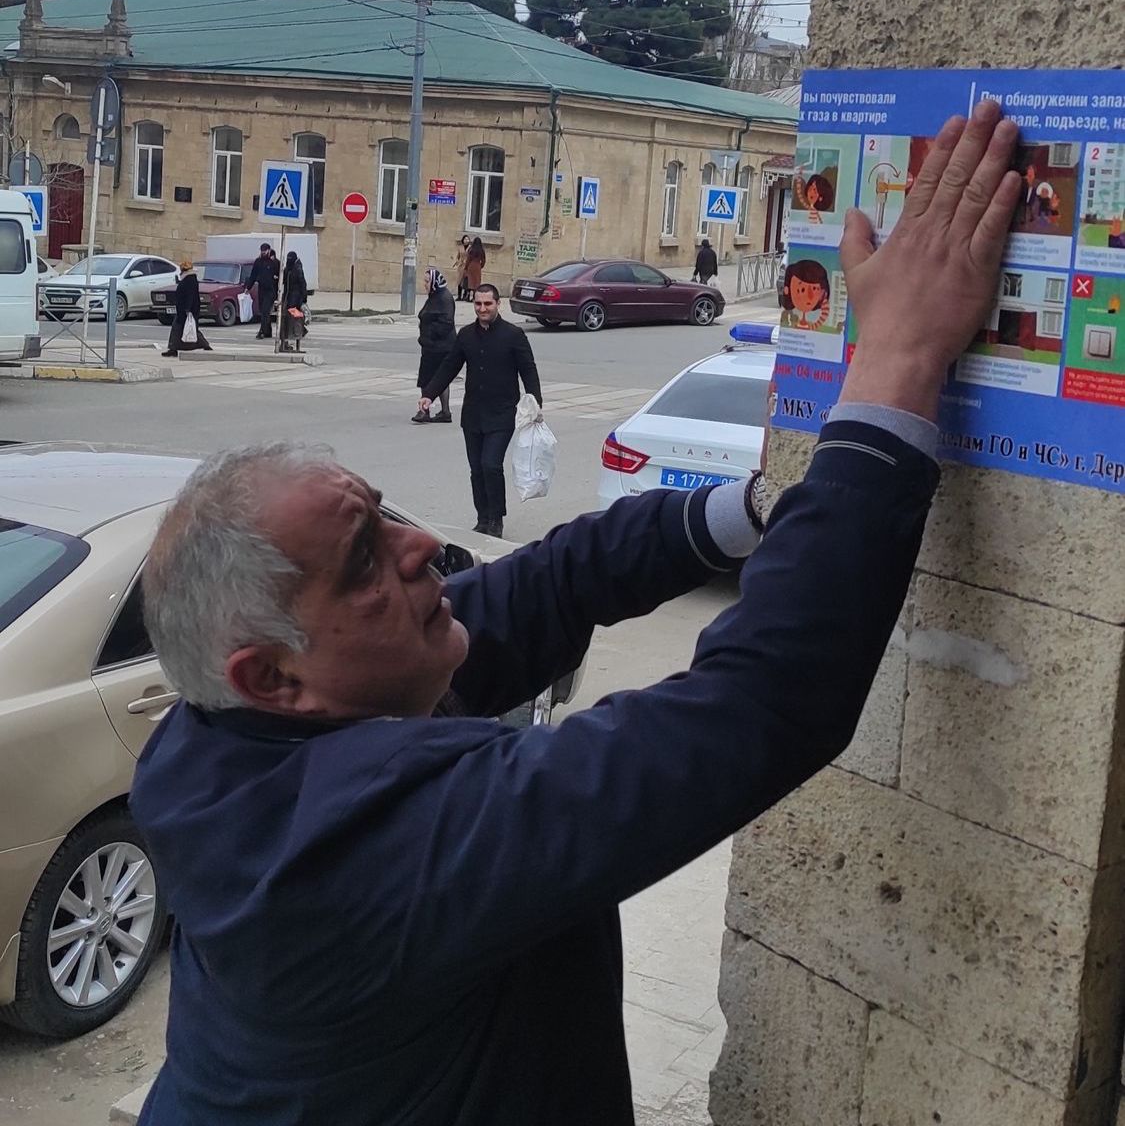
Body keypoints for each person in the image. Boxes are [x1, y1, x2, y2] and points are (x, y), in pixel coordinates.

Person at [130, 101, 1021, 1126]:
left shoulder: (228, 736)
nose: (422, 548)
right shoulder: (356, 855)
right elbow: (759, 707)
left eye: (384, 514)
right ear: (270, 675)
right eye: (364, 560)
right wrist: (897, 364)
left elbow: (549, 582)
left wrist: (762, 506)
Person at [418, 283, 540, 537]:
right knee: (476, 470)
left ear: (498, 304)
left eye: (488, 304)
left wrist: (535, 403)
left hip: (502, 413)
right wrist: (429, 394)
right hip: (473, 414)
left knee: (491, 465)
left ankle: (496, 519)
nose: (482, 309)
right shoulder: (466, 335)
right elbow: (449, 366)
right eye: (478, 304)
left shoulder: (513, 335)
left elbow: (528, 370)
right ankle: (482, 518)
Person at [411, 267, 456, 424]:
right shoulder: (435, 296)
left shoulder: (444, 298)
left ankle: (425, 411)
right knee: (439, 378)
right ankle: (445, 412)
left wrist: (429, 335)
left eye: (427, 281)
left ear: (435, 281)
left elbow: (446, 323)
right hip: (434, 346)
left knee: (427, 379)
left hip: (438, 347)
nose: (424, 284)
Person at [161, 259, 212, 357]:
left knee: (180, 328)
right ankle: (203, 345)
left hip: (186, 309)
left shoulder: (189, 280)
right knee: (188, 328)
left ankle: (173, 349)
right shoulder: (190, 279)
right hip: (186, 309)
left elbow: (190, 295)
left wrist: (187, 309)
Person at [244, 242, 280, 340]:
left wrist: (278, 289)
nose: (263, 253)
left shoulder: (274, 262)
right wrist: (248, 287)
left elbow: (280, 276)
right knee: (263, 311)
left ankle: (262, 331)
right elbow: (253, 275)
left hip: (271, 290)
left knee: (265, 310)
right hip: (261, 289)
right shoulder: (258, 262)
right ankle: (268, 331)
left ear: (269, 250)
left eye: (265, 251)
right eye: (262, 251)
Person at [278, 250, 307, 352]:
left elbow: (302, 283)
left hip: (295, 299)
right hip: (287, 297)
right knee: (285, 319)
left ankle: (299, 333)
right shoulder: (288, 268)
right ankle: (284, 342)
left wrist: (303, 298)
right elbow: (284, 281)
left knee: (294, 318)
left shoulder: (298, 269)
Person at [454, 234, 473, 302]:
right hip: (461, 265)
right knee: (459, 280)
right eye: (465, 239)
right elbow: (457, 256)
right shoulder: (460, 247)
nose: (466, 240)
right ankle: (459, 296)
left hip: (467, 266)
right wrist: (457, 261)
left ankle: (465, 295)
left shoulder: (470, 247)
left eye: (467, 239)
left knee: (466, 281)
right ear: (463, 240)